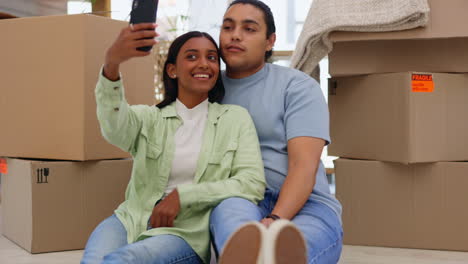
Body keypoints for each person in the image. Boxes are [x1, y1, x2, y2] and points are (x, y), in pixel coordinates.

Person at [81, 27, 265, 264]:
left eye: (211, 57)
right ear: (172, 70)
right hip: (130, 219)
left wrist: (183, 196)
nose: (203, 64)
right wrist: (112, 64)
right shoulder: (149, 118)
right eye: (191, 56)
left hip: (185, 232)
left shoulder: (235, 119)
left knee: (123, 260)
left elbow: (252, 183)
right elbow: (113, 127)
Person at [210, 1, 343, 263]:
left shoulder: (297, 87)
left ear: (270, 41)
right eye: (228, 27)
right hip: (240, 198)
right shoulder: (207, 89)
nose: (235, 35)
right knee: (229, 212)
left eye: (249, 29)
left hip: (307, 204)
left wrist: (275, 218)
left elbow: (303, 165)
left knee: (290, 248)